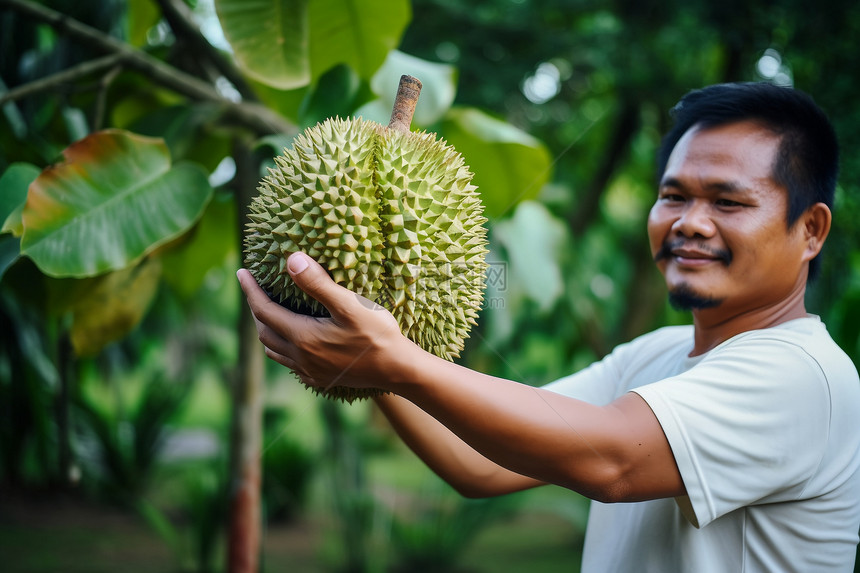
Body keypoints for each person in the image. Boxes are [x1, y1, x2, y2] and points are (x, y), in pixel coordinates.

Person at [237, 82, 860, 572]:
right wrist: (366, 356)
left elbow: (612, 464)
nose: (690, 223)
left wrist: (394, 360)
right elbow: (479, 464)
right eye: (674, 196)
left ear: (811, 230)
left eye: (728, 202)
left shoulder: (806, 376)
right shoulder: (655, 358)